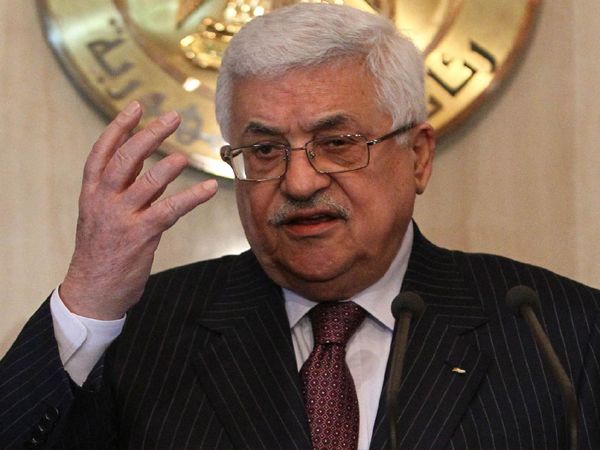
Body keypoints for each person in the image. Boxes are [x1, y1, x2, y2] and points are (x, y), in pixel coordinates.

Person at [1, 3, 599, 449]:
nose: (300, 181)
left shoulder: (559, 337)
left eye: (337, 143)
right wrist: (91, 297)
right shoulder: (142, 334)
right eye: (264, 150)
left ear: (418, 156)